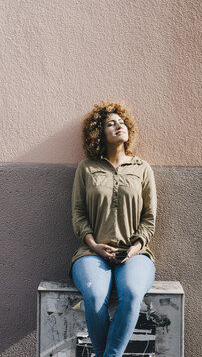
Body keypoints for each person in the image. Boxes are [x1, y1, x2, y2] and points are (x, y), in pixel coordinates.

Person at [71, 100, 157, 357]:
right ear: (100, 133)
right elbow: (78, 213)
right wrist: (94, 245)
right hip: (91, 253)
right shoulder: (87, 168)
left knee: (131, 295)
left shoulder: (142, 169)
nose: (118, 125)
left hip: (135, 254)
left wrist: (135, 248)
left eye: (121, 122)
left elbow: (149, 218)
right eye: (111, 123)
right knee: (95, 297)